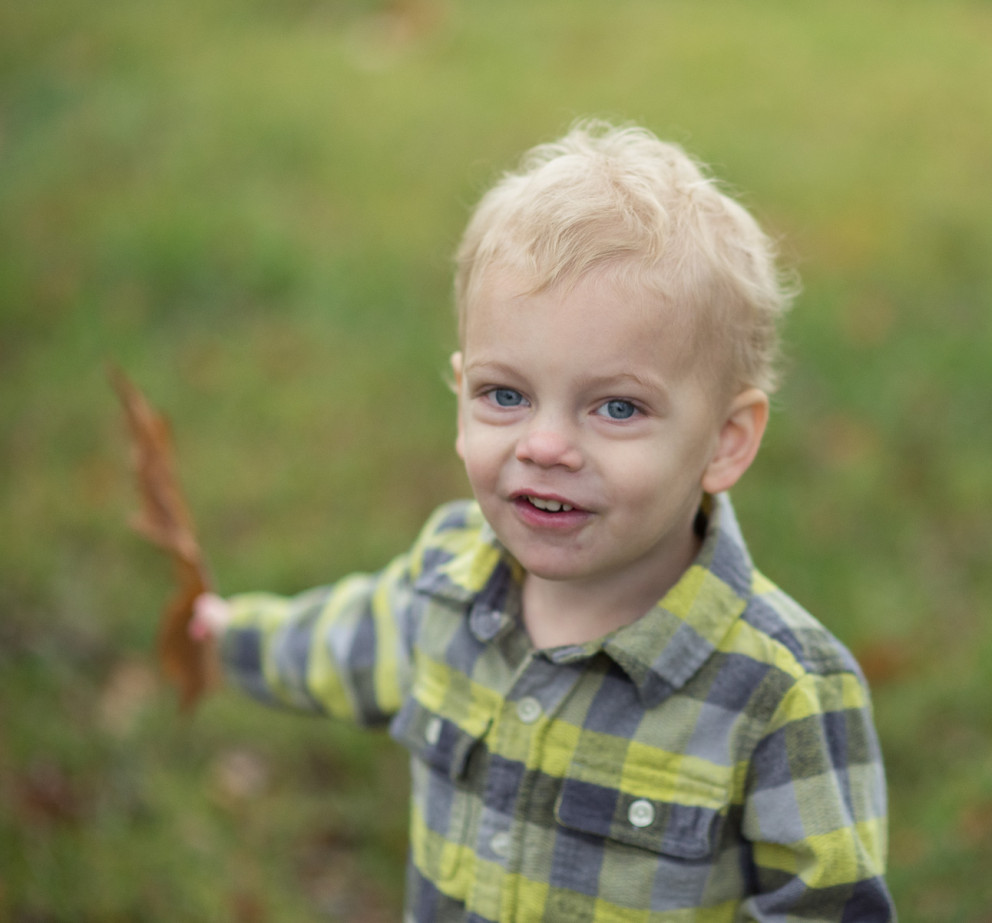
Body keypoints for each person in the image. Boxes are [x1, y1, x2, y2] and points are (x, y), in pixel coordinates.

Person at [193, 120, 895, 922]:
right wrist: (228, 637)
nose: (547, 444)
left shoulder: (780, 692)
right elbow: (342, 644)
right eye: (505, 395)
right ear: (459, 394)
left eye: (618, 406)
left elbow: (829, 908)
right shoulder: (445, 583)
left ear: (724, 441)